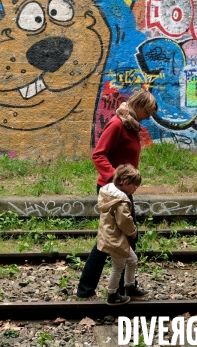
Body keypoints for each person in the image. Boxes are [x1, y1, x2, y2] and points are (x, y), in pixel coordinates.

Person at [76, 89, 158, 299]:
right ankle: (87, 290)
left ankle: (126, 286)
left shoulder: (130, 125)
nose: (148, 117)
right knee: (110, 239)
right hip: (114, 189)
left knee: (127, 237)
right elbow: (98, 154)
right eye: (147, 113)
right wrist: (115, 179)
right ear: (138, 106)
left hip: (122, 188)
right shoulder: (117, 124)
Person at [97, 164, 149, 305]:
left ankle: (129, 287)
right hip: (116, 238)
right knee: (118, 267)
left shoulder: (109, 193)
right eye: (135, 186)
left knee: (132, 260)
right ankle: (112, 295)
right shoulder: (121, 201)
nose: (135, 189)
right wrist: (133, 232)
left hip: (111, 236)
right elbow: (124, 221)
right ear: (125, 183)